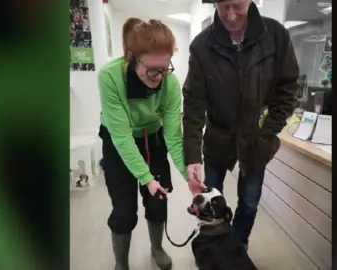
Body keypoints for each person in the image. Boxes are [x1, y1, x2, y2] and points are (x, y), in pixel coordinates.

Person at [183, 0, 300, 250]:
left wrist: (267, 133)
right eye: (223, 6)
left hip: (256, 140)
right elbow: (193, 104)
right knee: (210, 201)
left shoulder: (276, 36)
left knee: (248, 203)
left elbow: (288, 90)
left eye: (237, 5)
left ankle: (237, 248)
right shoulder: (202, 46)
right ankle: (214, 248)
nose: (231, 15)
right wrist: (192, 156)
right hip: (217, 139)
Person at [98, 18, 191, 270]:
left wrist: (188, 174)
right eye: (152, 70)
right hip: (119, 141)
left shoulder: (170, 83)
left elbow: (172, 135)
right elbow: (122, 138)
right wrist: (145, 178)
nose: (159, 77)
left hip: (153, 139)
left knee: (158, 201)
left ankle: (157, 248)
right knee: (124, 210)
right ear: (132, 58)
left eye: (164, 69)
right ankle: (121, 263)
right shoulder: (110, 77)